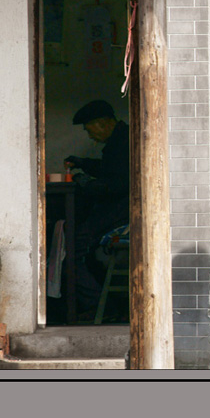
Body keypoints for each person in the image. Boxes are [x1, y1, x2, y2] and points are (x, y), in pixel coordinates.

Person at [63, 100, 130, 319]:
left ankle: (98, 304)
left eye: (89, 129)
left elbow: (114, 186)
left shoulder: (121, 143)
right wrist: (83, 163)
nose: (89, 135)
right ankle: (104, 301)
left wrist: (83, 182)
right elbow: (110, 169)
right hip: (117, 209)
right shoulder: (121, 139)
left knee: (73, 247)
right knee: (83, 248)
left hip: (118, 211)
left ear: (102, 123)